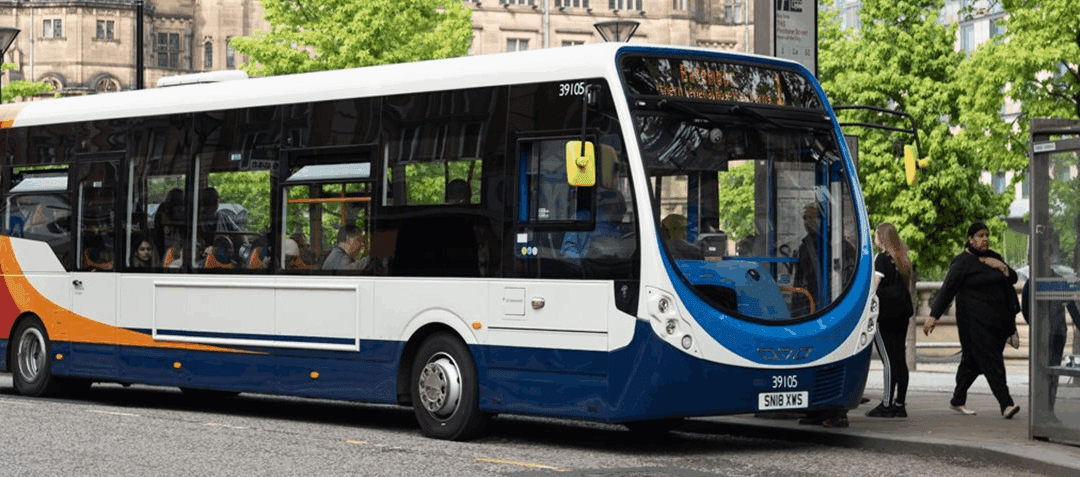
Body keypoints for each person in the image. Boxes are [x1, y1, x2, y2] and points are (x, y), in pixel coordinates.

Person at [924, 221, 1021, 419]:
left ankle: (957, 399)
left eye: (987, 235)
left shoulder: (994, 257)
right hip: (974, 324)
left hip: (997, 324)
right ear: (970, 239)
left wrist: (1002, 266)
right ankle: (1006, 404)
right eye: (980, 235)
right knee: (992, 361)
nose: (985, 239)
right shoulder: (962, 263)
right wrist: (934, 316)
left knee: (973, 364)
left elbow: (1012, 278)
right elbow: (947, 290)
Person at [865, 223, 915, 418]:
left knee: (888, 360)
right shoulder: (902, 259)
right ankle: (900, 404)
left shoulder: (881, 259)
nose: (875, 237)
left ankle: (886, 404)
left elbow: (874, 288)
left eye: (877, 234)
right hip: (902, 315)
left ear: (882, 238)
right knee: (899, 360)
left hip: (884, 315)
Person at [1021, 268, 1080, 416]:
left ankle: (1049, 410)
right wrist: (1035, 327)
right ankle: (1042, 411)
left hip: (1056, 335)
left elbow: (1072, 308)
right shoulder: (1034, 281)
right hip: (1049, 334)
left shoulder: (1055, 281)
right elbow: (1025, 308)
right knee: (1045, 372)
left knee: (1052, 373)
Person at [561, 188, 630, 259]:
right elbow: (567, 251)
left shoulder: (614, 226)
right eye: (621, 208)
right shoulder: (581, 218)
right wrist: (584, 258)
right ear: (609, 206)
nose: (623, 214)